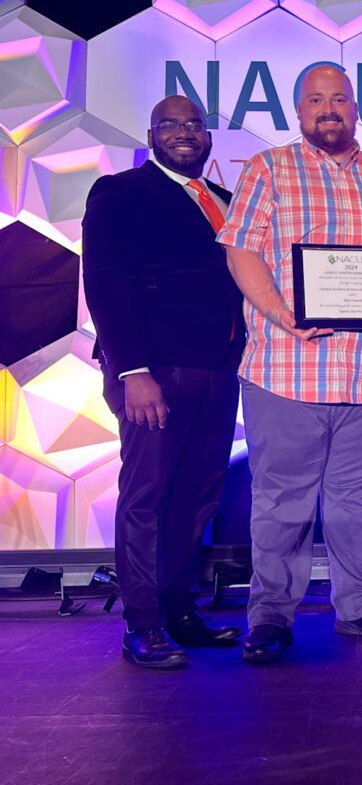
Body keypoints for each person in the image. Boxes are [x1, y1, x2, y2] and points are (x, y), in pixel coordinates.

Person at [217, 62, 362, 664]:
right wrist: (285, 315)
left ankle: (358, 606)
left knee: (354, 499)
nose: (328, 109)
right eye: (316, 100)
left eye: (338, 99)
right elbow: (240, 250)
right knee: (281, 500)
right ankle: (271, 616)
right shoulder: (269, 169)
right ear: (299, 111)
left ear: (355, 109)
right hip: (287, 369)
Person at [82, 95, 244, 669]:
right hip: (154, 373)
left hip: (219, 371)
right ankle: (143, 624)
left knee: (196, 499)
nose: (184, 132)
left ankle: (180, 611)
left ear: (207, 138)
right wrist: (131, 371)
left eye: (193, 125)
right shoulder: (120, 193)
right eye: (171, 124)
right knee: (148, 498)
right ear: (150, 135)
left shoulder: (223, 201)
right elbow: (105, 281)